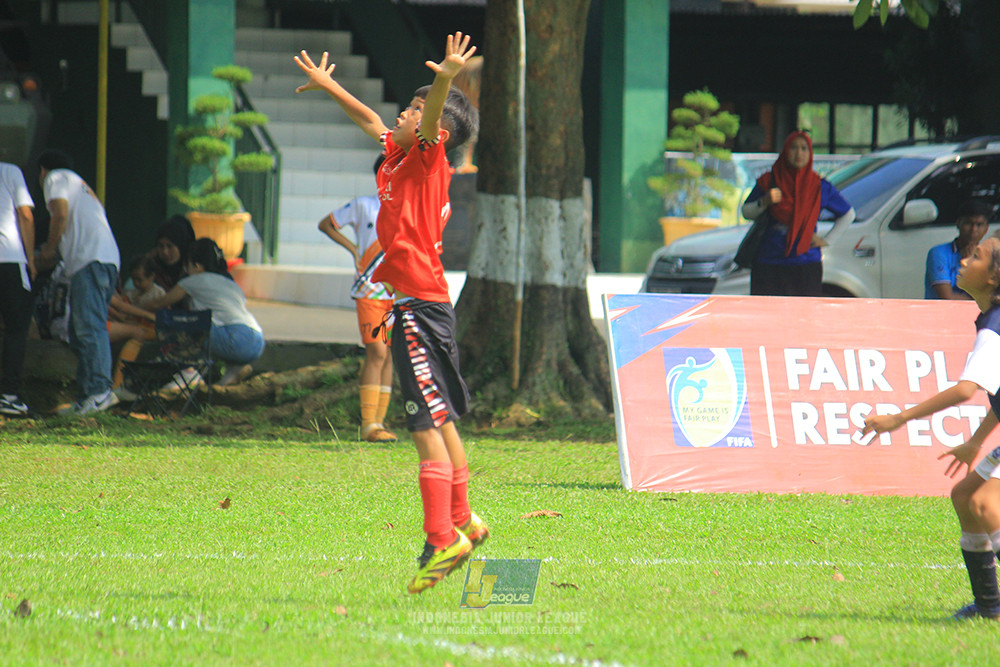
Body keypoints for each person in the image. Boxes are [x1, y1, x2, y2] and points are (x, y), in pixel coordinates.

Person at [295, 31, 488, 594]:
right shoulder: (400, 157)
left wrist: (447, 78)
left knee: (424, 426)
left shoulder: (427, 158)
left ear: (434, 130)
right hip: (427, 307)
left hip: (420, 312)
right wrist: (331, 85)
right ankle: (464, 520)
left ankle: (441, 538)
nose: (400, 117)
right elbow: (369, 122)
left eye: (409, 110)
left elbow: (429, 122)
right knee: (443, 420)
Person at [863, 236, 1000, 620]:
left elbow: (965, 390)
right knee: (965, 496)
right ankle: (990, 607)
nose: (963, 259)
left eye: (976, 257)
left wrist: (898, 418)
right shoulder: (991, 317)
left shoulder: (994, 325)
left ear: (994, 277)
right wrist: (976, 440)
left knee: (985, 505)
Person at [36, 150, 121, 415]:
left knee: (88, 327)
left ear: (42, 170)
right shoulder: (82, 187)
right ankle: (88, 396)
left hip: (91, 261)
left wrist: (47, 249)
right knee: (80, 329)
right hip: (105, 260)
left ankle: (99, 391)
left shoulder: (56, 178)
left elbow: (59, 214)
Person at [318, 160, 397, 444]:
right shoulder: (364, 204)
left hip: (396, 294)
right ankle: (368, 424)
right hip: (369, 292)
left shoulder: (406, 208)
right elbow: (326, 224)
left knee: (387, 352)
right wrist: (353, 249)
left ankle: (379, 422)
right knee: (377, 351)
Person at [741, 131, 855, 296]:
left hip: (805, 265)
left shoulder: (819, 186)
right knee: (768, 318)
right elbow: (746, 212)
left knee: (803, 318)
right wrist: (764, 201)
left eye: (804, 148)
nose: (799, 153)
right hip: (769, 264)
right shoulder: (769, 181)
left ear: (810, 153)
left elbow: (848, 214)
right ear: (785, 151)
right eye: (794, 148)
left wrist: (827, 240)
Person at [142, 238, 264, 386]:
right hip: (257, 339)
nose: (187, 271)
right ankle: (233, 371)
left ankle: (188, 373)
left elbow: (160, 303)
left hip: (235, 339)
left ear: (197, 266)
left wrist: (134, 305)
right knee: (204, 322)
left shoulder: (193, 281)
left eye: (188, 267)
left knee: (180, 323)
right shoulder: (230, 284)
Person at [0, 161, 36, 416]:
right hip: (10, 259)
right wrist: (31, 259)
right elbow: (25, 214)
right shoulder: (10, 171)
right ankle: (9, 395)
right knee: (15, 329)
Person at [925, 199, 992, 300]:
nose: (974, 230)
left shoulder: (990, 256)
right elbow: (947, 297)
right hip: (941, 314)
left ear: (986, 229)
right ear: (958, 224)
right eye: (969, 223)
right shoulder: (939, 253)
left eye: (979, 225)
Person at [150, 215, 196, 291]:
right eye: (161, 246)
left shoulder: (193, 271)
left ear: (181, 247)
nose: (165, 252)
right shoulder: (149, 268)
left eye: (169, 246)